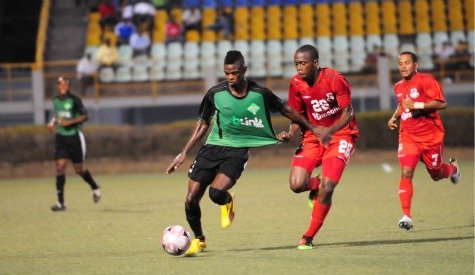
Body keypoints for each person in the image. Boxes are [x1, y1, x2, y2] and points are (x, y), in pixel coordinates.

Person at [165, 50, 322, 256]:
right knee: (191, 199)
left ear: (244, 71)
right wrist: (183, 152)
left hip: (237, 152)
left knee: (216, 193)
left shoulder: (260, 93)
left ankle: (228, 201)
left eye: (235, 73)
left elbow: (288, 110)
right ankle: (199, 239)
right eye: (227, 73)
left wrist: (309, 127)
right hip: (212, 147)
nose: (230, 78)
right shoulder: (215, 93)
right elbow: (203, 123)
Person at [276, 44, 359, 250]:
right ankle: (316, 184)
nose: (299, 67)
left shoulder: (334, 79)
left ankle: (308, 236)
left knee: (328, 187)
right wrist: (292, 133)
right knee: (296, 185)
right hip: (313, 137)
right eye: (296, 63)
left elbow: (347, 112)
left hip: (340, 135)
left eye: (303, 63)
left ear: (315, 63)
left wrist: (329, 131)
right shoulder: (296, 83)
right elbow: (296, 115)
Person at [387, 51, 461, 231]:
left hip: (430, 138)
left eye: (407, 63)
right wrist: (394, 117)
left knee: (436, 174)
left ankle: (452, 169)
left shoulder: (426, 81)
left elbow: (441, 103)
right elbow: (402, 104)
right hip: (408, 137)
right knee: (406, 171)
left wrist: (417, 106)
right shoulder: (397, 86)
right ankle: (406, 216)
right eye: (400, 63)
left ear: (416, 65)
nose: (403, 66)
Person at [47, 77, 101, 211]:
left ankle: (94, 186)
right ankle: (61, 203)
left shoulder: (75, 100)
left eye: (66, 84)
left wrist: (69, 122)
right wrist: (52, 123)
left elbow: (85, 116)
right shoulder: (55, 100)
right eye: (61, 84)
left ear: (68, 86)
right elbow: (58, 116)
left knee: (78, 169)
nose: (63, 86)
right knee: (60, 167)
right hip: (61, 137)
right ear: (57, 86)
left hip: (74, 137)